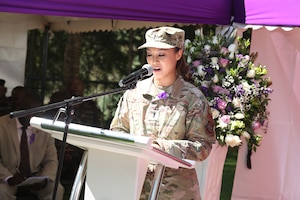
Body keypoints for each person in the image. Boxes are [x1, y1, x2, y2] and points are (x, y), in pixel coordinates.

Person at [110, 26, 216, 199]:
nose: (154, 61)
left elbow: (202, 147)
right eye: (150, 54)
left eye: (161, 54)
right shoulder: (134, 94)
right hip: (136, 188)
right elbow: (117, 130)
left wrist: (162, 148)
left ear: (178, 54)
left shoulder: (193, 99)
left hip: (176, 193)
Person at [0, 89, 64, 200]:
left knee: (57, 189)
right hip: (9, 177)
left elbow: (51, 160)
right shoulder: (2, 124)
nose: (32, 116)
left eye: (36, 113)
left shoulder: (43, 127)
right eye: (29, 111)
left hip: (36, 178)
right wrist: (8, 177)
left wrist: (45, 178)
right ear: (19, 109)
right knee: (1, 192)